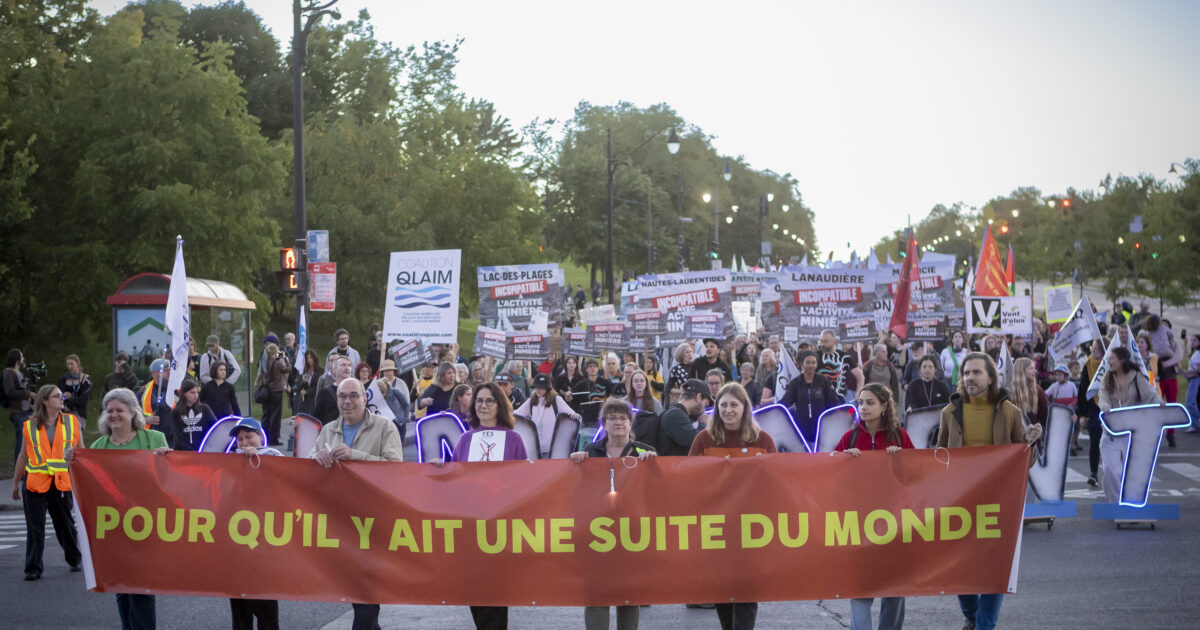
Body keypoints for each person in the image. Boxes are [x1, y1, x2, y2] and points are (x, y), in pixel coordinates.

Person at [936, 352, 1042, 630]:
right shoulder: (949, 412)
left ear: (992, 377)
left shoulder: (1011, 412)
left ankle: (984, 624)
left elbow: (1024, 462)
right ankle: (971, 614)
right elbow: (938, 457)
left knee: (995, 567)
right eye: (966, 373)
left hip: (998, 504)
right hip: (959, 503)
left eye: (976, 372)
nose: (969, 377)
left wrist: (1030, 443)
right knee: (959, 568)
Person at [69, 388, 170, 628]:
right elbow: (89, 486)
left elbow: (169, 479)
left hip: (145, 523)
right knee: (122, 587)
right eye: (109, 410)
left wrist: (169, 458)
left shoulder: (154, 439)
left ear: (133, 412)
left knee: (141, 586)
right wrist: (73, 462)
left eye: (119, 410)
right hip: (113, 527)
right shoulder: (99, 446)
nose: (113, 415)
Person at [309, 378, 402, 628]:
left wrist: (356, 456)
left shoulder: (385, 428)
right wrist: (316, 457)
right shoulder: (328, 430)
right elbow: (308, 468)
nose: (347, 402)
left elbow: (396, 469)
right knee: (356, 591)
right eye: (342, 396)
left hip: (373, 521)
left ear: (364, 398)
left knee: (366, 592)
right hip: (340, 520)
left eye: (353, 395)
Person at [689, 382, 775, 629]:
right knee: (722, 589)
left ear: (744, 407)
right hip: (716, 525)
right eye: (723, 405)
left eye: (734, 405)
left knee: (746, 591)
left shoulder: (763, 439)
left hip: (752, 526)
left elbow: (775, 480)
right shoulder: (704, 439)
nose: (728, 410)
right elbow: (688, 478)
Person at [443, 381, 528, 630]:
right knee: (475, 593)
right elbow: (455, 481)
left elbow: (525, 482)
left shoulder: (514, 440)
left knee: (496, 595)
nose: (482, 405)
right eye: (478, 400)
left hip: (501, 527)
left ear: (499, 404)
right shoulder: (465, 440)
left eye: (489, 400)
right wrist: (438, 469)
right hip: (471, 527)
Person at [568, 398, 655, 630]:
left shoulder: (645, 452)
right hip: (597, 532)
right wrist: (577, 462)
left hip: (631, 532)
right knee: (597, 593)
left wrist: (652, 465)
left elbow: (657, 490)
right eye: (612, 418)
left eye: (622, 418)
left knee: (628, 594)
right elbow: (578, 489)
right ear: (603, 424)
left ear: (631, 423)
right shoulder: (590, 451)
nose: (617, 422)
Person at [834, 382, 912, 630]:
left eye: (870, 402)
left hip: (894, 521)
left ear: (884, 406)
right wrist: (844, 461)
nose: (863, 408)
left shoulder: (900, 436)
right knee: (859, 587)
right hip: (859, 523)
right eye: (860, 403)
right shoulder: (850, 437)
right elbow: (830, 474)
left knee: (894, 588)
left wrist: (901, 459)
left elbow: (917, 475)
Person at [10, 385, 83, 581]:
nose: (62, 399)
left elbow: (82, 453)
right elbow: (23, 456)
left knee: (65, 524)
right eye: (57, 396)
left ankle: (74, 557)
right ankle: (33, 568)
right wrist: (15, 483)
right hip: (34, 483)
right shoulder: (30, 425)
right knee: (35, 527)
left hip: (61, 483)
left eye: (62, 396)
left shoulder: (71, 421)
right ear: (44, 400)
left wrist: (83, 480)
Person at [224, 417, 282, 629]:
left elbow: (285, 485)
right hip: (237, 538)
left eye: (249, 436)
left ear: (260, 436)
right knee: (239, 603)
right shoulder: (229, 459)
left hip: (265, 539)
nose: (244, 442)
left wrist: (258, 461)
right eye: (240, 439)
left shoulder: (274, 456)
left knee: (265, 601)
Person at [1098, 346, 1163, 502]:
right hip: (1111, 434)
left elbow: (1150, 395)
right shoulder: (1106, 378)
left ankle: (1130, 504)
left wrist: (1159, 403)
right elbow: (1102, 397)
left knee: (1131, 473)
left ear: (1121, 361)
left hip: (1132, 435)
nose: (1108, 361)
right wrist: (1105, 406)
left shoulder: (1136, 377)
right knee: (1111, 471)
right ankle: (1115, 505)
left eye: (1111, 358)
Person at [779, 350, 839, 445]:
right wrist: (772, 409)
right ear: (801, 364)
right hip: (802, 426)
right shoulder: (795, 383)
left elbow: (833, 401)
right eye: (807, 362)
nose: (811, 365)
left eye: (813, 362)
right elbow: (786, 401)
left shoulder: (823, 380)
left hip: (821, 426)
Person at [515, 373, 580, 456]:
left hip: (552, 449)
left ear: (548, 388)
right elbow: (517, 414)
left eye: (541, 387)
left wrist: (573, 414)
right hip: (535, 448)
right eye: (536, 387)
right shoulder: (531, 401)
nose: (538, 389)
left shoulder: (556, 400)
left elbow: (570, 413)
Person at [1075, 339, 1106, 486]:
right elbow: (1083, 390)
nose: (1093, 352)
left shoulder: (1110, 364)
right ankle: (1093, 473)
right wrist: (1082, 414)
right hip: (1094, 406)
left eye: (1097, 349)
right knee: (1095, 440)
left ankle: (1112, 471)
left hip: (1110, 406)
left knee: (1110, 441)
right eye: (1092, 348)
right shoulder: (1088, 364)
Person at [658, 379, 712, 456]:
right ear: (699, 397)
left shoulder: (677, 413)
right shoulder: (675, 414)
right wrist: (703, 424)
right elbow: (698, 442)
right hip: (671, 466)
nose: (704, 410)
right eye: (705, 404)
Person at [5, 348, 36, 460]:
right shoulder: (8, 373)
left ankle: (26, 469)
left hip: (26, 410)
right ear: (17, 359)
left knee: (28, 440)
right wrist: (29, 394)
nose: (23, 359)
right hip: (18, 412)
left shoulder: (19, 373)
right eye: (21, 356)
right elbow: (10, 391)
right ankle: (20, 471)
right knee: (21, 442)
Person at [169, 379, 218, 451]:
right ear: (184, 393)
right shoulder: (175, 412)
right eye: (192, 393)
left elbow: (215, 427)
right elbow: (178, 437)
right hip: (183, 453)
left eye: (197, 392)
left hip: (203, 451)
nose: (196, 396)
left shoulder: (205, 409)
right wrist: (192, 451)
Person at [139, 358, 175, 445]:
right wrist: (146, 420)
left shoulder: (176, 389)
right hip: (151, 436)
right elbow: (133, 414)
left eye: (169, 370)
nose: (169, 373)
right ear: (155, 373)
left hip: (172, 436)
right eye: (165, 371)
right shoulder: (143, 391)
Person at [259, 343, 290, 446]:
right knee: (276, 415)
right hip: (276, 390)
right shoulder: (278, 363)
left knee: (266, 414)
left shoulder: (264, 362)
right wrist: (285, 358)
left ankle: (264, 436)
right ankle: (274, 438)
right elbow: (288, 369)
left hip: (267, 390)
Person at [816, 329, 858, 401]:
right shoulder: (815, 356)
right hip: (819, 398)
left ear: (834, 342)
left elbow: (860, 376)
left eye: (825, 341)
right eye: (821, 341)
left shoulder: (844, 356)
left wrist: (859, 392)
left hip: (839, 399)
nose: (822, 344)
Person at [376, 360, 412, 441]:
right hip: (384, 421)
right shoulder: (378, 383)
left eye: (390, 370)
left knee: (399, 443)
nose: (388, 372)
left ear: (394, 371)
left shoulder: (401, 383)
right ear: (383, 372)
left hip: (399, 420)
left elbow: (406, 402)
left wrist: (405, 418)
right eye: (386, 370)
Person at [312, 355, 353, 425]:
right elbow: (316, 420)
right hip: (331, 433)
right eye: (343, 365)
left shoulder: (358, 391)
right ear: (334, 370)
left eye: (349, 365)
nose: (347, 368)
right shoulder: (324, 393)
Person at [1009, 357, 1048, 427]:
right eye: (1031, 368)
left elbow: (1045, 415)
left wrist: (1039, 429)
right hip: (1016, 435)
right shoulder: (1009, 391)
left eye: (1034, 368)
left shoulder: (1038, 390)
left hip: (1034, 434)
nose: (1035, 371)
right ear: (1021, 370)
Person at [860, 343, 900, 407]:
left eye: (886, 351)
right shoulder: (868, 365)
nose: (886, 353)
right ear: (877, 353)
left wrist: (895, 400)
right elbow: (864, 383)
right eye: (883, 352)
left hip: (886, 397)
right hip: (872, 397)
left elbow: (894, 385)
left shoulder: (890, 366)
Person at [57, 354, 92, 422]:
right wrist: (64, 398)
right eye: (68, 364)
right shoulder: (62, 380)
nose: (69, 366)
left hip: (79, 413)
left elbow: (84, 399)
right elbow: (57, 396)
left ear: (78, 364)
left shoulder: (85, 379)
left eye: (72, 364)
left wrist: (70, 403)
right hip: (63, 413)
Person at [578, 359, 611, 427]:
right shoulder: (581, 384)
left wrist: (607, 401)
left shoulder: (606, 382)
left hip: (602, 419)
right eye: (590, 366)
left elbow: (613, 395)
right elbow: (573, 398)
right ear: (586, 369)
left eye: (595, 366)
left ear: (598, 369)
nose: (592, 368)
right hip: (586, 420)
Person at [294, 349, 322, 416]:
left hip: (314, 399)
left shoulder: (320, 370)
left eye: (310, 358)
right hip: (304, 401)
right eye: (307, 358)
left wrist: (308, 391)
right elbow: (298, 385)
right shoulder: (304, 370)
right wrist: (302, 382)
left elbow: (320, 386)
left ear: (314, 358)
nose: (309, 360)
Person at [1184, 334, 1200, 433]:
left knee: (1189, 403)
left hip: (1195, 379)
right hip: (1191, 379)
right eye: (1191, 340)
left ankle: (1195, 423)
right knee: (1191, 402)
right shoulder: (1195, 352)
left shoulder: (1198, 353)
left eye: (1194, 340)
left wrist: (1189, 372)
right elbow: (1186, 355)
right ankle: (1194, 423)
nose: (1192, 342)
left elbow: (1198, 369)